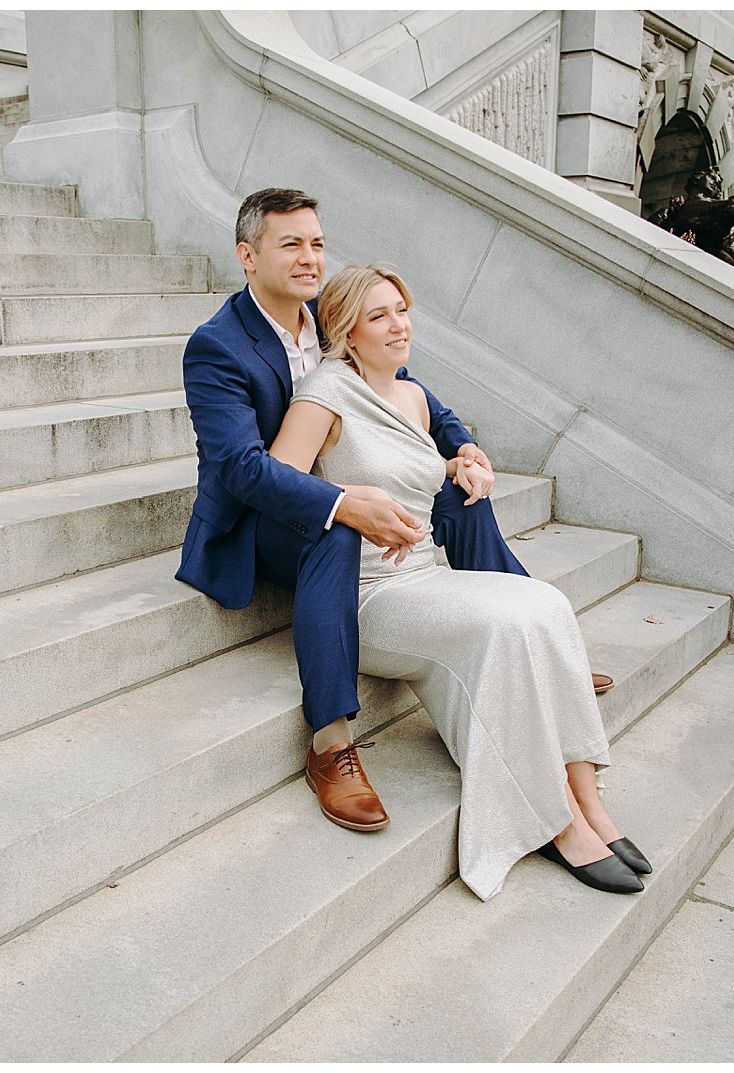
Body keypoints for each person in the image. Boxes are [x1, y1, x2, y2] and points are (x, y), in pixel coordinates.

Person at [176, 188, 610, 836]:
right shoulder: (218, 346)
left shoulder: (328, 310)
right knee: (337, 526)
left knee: (455, 493)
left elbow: (405, 385)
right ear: (247, 255)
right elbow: (243, 470)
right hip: (255, 520)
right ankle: (330, 743)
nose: (309, 257)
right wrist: (343, 501)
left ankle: (536, 637)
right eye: (290, 243)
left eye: (317, 242)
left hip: (326, 475)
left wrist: (461, 446)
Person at [266, 262, 649, 898]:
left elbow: (416, 467)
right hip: (366, 593)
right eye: (378, 315)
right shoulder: (325, 394)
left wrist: (458, 466)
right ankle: (556, 824)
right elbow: (283, 482)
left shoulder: (412, 395)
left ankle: (592, 806)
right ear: (345, 330)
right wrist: (350, 499)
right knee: (505, 624)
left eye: (403, 310)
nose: (398, 325)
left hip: (425, 575)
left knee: (545, 605)